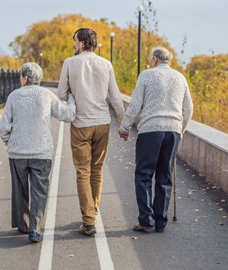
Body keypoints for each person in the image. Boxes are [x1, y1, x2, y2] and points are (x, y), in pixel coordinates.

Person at [118, 46, 193, 233]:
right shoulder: (180, 78)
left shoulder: (146, 75)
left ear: (154, 59)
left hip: (150, 131)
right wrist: (181, 129)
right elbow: (189, 109)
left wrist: (124, 127)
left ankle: (146, 220)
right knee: (164, 177)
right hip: (173, 131)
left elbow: (135, 105)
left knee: (143, 175)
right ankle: (160, 221)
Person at [58, 28, 125, 236]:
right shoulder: (106, 64)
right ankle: (92, 214)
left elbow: (60, 93)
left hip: (81, 124)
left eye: (75, 41)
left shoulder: (70, 63)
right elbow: (115, 97)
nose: (73, 45)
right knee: (96, 170)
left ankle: (88, 221)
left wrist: (73, 97)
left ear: (83, 42)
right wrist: (123, 124)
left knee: (83, 172)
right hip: (103, 124)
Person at [0, 62, 76, 243]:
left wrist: (9, 142)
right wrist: (71, 100)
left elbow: (3, 127)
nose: (20, 79)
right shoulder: (47, 95)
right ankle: (35, 229)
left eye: (21, 76)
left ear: (25, 78)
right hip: (41, 152)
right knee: (39, 191)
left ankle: (23, 224)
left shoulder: (13, 96)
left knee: (20, 190)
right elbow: (67, 115)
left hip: (17, 154)